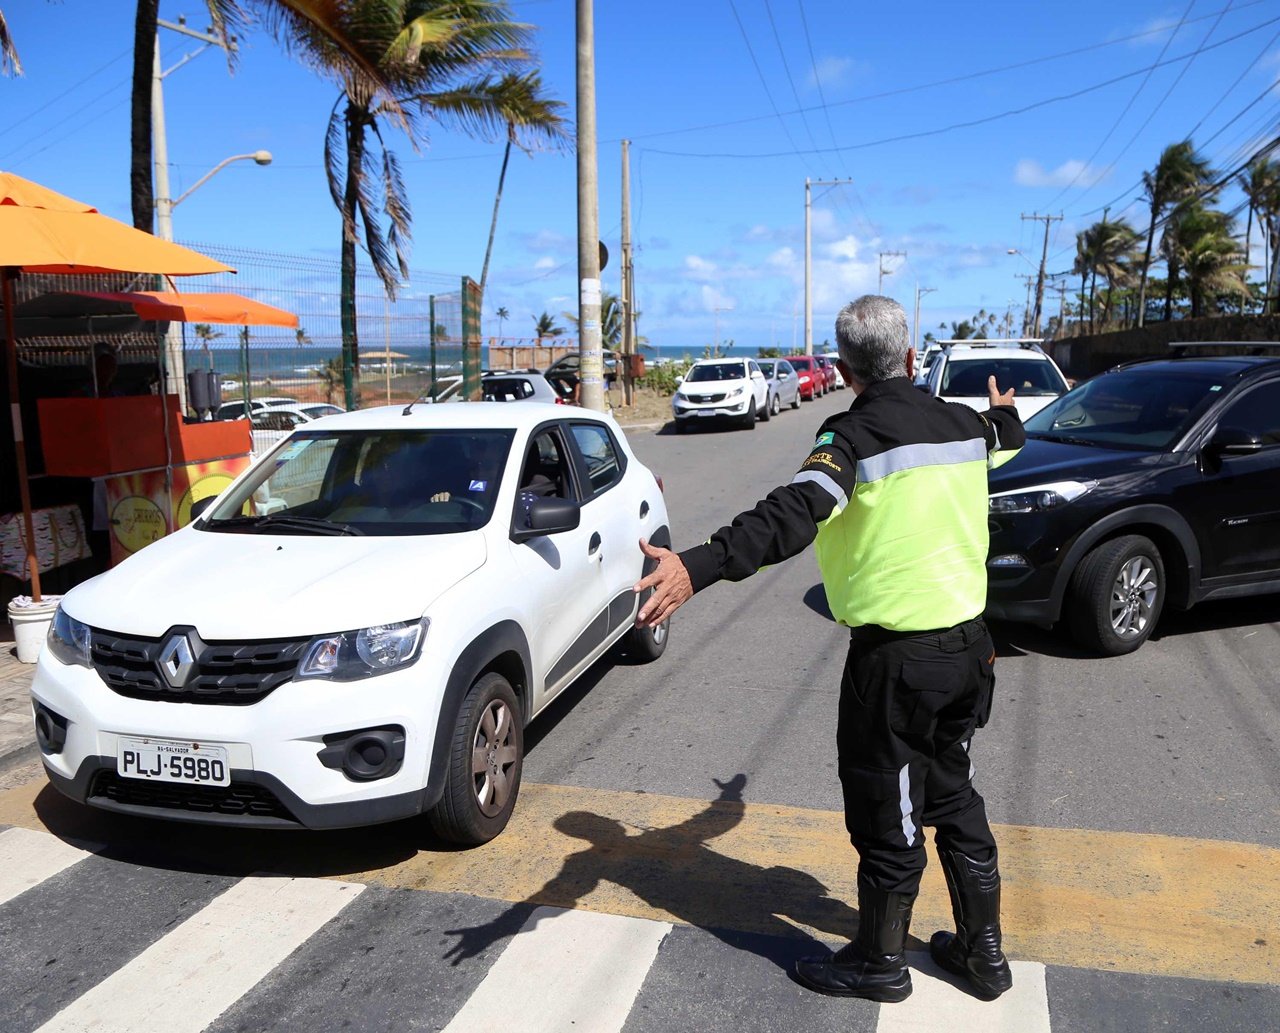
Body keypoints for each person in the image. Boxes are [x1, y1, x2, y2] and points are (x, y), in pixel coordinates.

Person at [633, 295, 1026, 1004]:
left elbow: (793, 511)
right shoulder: (966, 425)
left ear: (845, 371)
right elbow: (1007, 432)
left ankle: (879, 964)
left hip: (897, 665)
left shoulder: (850, 438)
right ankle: (983, 953)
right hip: (971, 653)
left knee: (887, 815)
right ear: (912, 358)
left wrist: (698, 564)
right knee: (953, 794)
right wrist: (1005, 406)